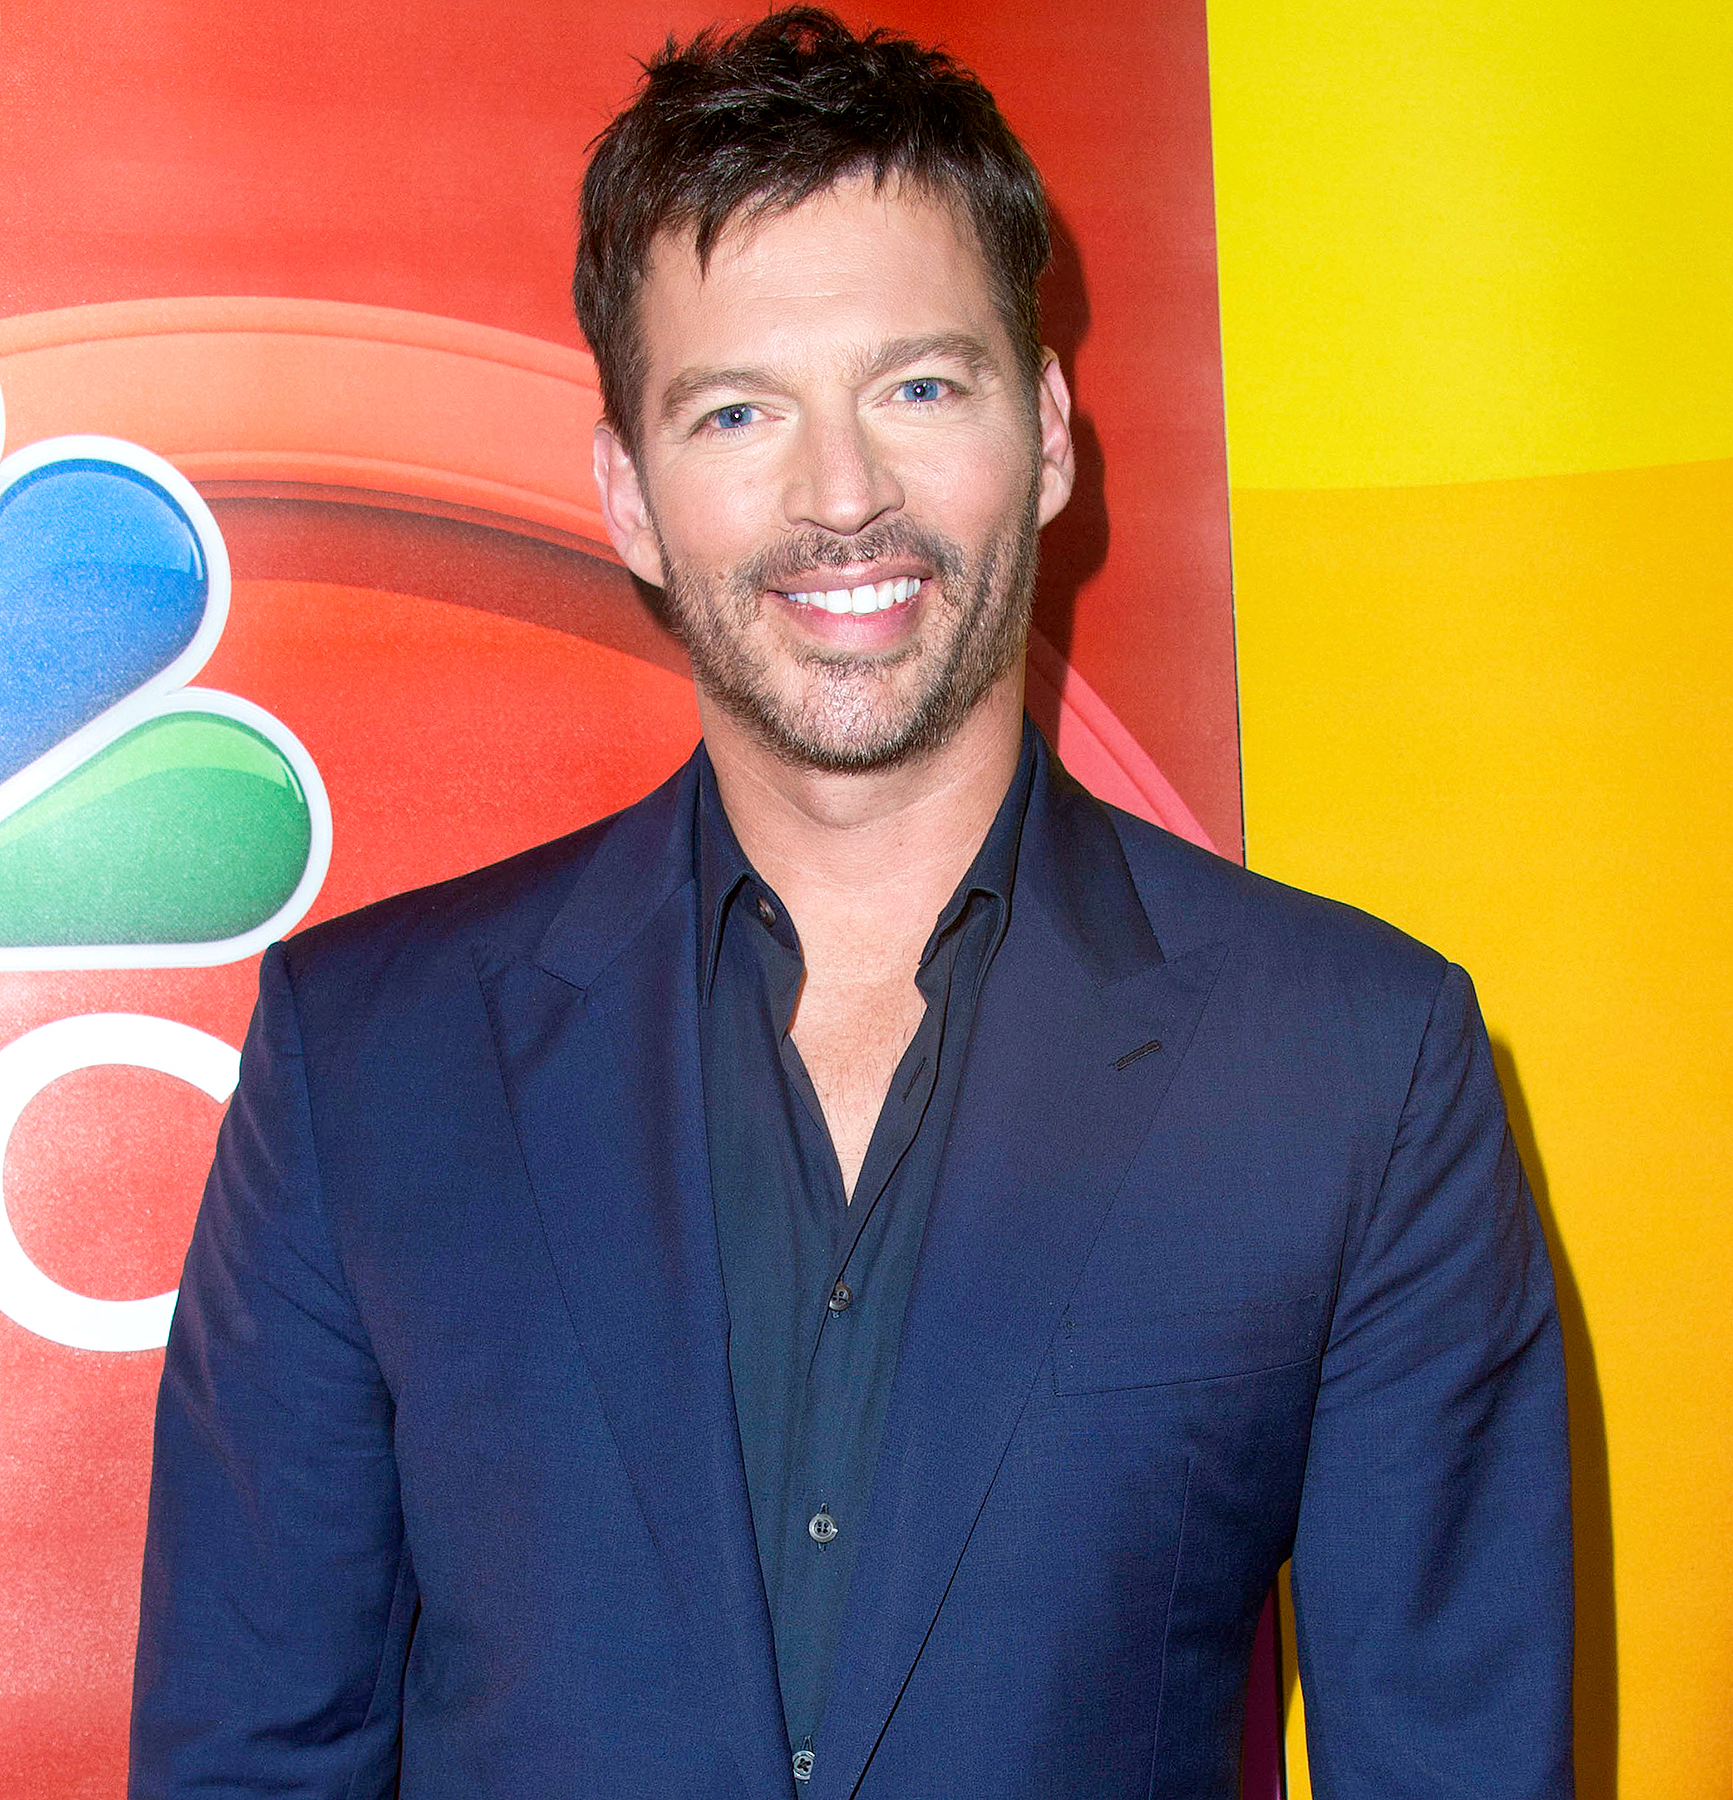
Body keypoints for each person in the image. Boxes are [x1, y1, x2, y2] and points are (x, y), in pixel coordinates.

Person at [128, 11, 1574, 1798]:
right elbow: (251, 1761)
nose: (844, 499)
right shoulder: (367, 1062)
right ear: (628, 498)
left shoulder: (1360, 1063)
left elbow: (1452, 1761)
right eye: (738, 410)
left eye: (921, 385)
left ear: (1047, 434)